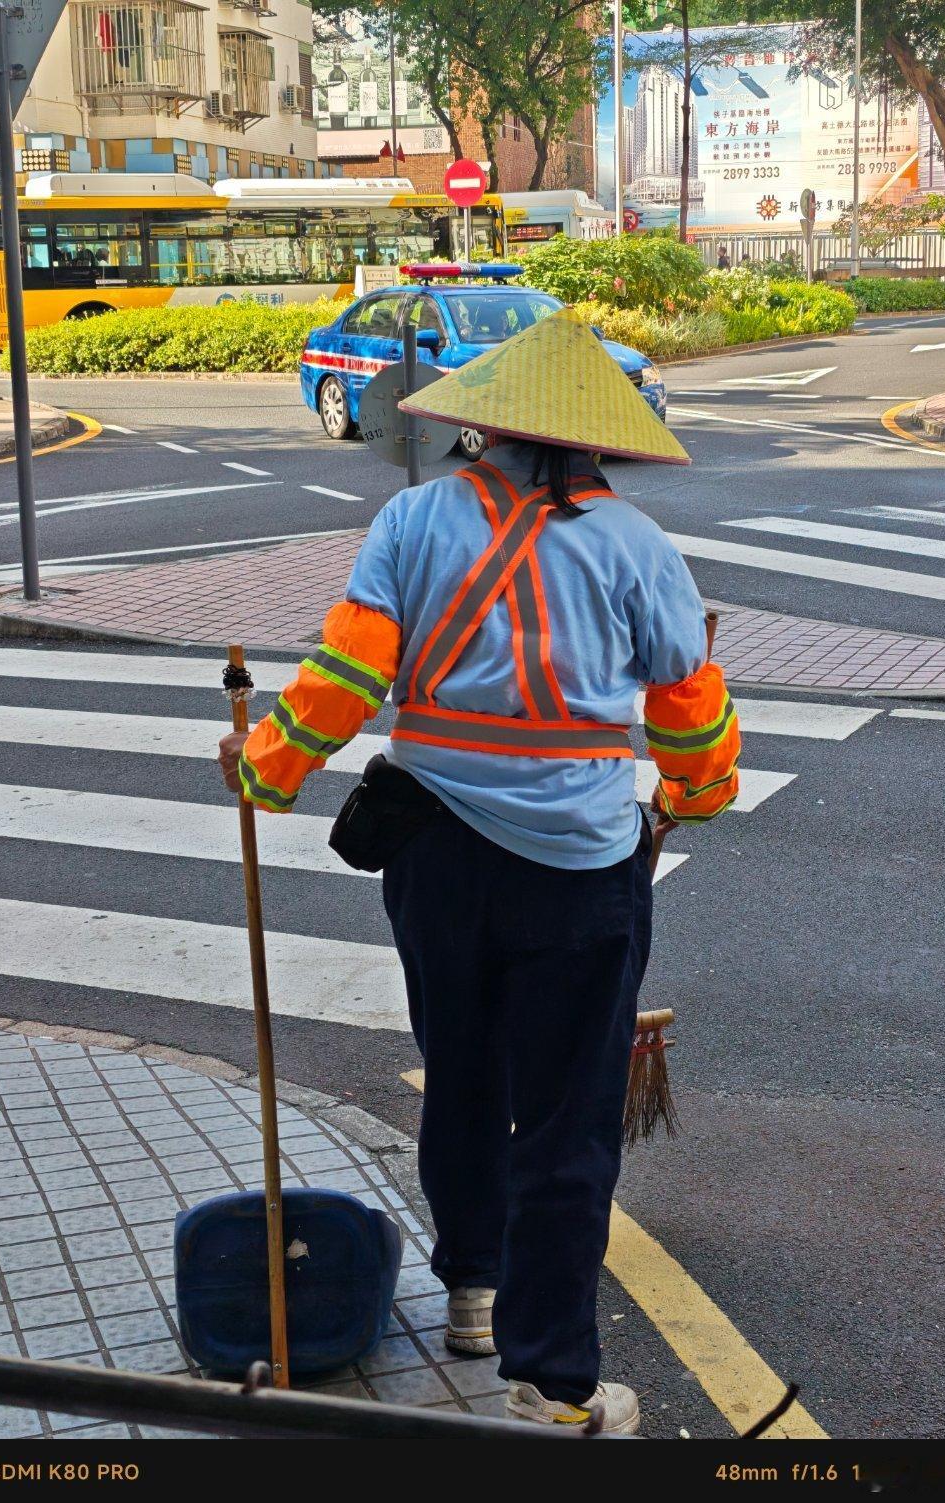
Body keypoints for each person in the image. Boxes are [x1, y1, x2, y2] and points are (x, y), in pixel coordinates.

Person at [218, 309, 741, 1434]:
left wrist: (265, 767)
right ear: (599, 441)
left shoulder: (411, 521)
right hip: (582, 866)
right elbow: (688, 708)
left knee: (461, 1070)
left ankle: (471, 1290)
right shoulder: (637, 547)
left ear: (480, 428)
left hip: (438, 856)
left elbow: (347, 672)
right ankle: (551, 1386)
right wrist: (697, 796)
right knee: (567, 1118)